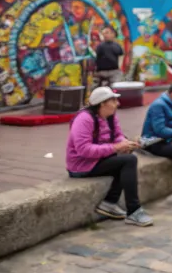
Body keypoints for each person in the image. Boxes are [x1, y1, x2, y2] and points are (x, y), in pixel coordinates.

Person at [66, 86, 153, 227]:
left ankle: (109, 202)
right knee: (128, 161)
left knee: (127, 160)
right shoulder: (84, 119)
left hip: (99, 159)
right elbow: (83, 150)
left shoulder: (110, 116)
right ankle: (133, 211)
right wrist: (115, 147)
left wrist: (124, 143)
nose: (117, 104)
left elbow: (117, 135)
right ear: (102, 103)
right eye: (113, 101)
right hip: (82, 166)